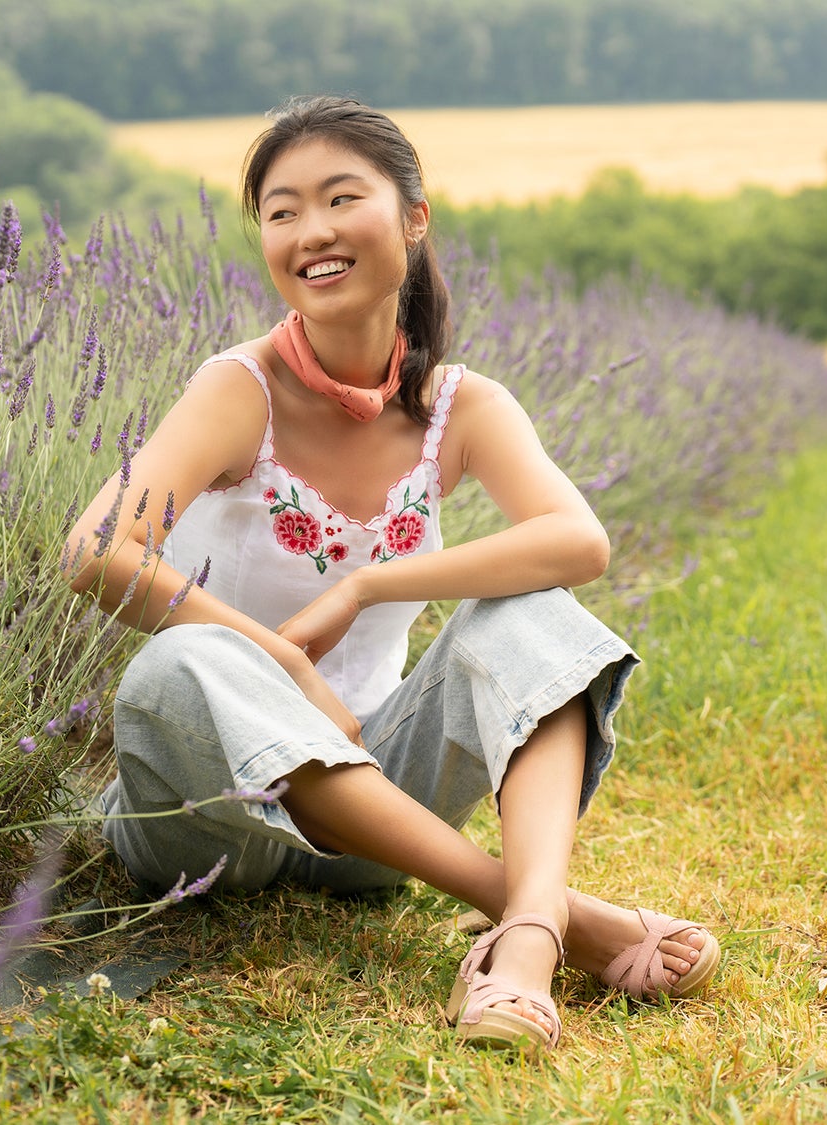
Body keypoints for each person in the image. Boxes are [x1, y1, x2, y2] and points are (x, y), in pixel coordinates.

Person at [62, 95, 718, 1058]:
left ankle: (524, 950)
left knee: (533, 611)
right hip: (210, 822)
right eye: (281, 212)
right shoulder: (237, 390)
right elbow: (95, 550)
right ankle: (548, 915)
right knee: (185, 661)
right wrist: (289, 666)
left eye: (340, 198)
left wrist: (372, 584)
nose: (311, 232)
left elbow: (579, 541)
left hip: (375, 819)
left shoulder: (462, 404)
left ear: (414, 217)